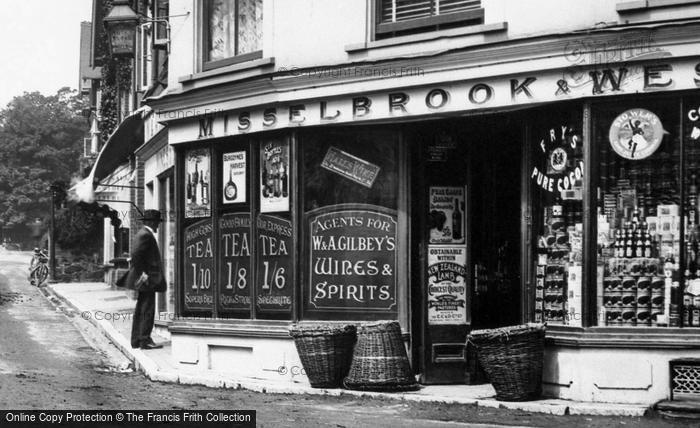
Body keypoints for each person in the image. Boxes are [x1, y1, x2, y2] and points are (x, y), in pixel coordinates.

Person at [125, 209, 167, 350]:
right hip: (146, 279)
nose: (158, 226)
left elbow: (136, 256)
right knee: (148, 309)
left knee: (141, 308)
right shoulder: (146, 235)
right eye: (157, 222)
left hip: (144, 279)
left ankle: (137, 340)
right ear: (152, 222)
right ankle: (145, 340)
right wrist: (143, 274)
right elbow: (136, 255)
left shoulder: (143, 233)